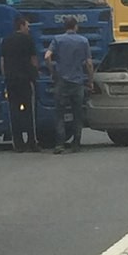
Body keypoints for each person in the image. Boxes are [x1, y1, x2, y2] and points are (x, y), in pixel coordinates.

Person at [44, 16, 94, 154]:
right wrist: (90, 81)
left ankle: (59, 144)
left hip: (61, 82)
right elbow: (89, 63)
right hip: (77, 82)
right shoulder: (83, 41)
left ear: (65, 27)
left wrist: (52, 71)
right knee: (77, 114)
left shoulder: (57, 40)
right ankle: (76, 143)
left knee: (59, 113)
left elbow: (47, 56)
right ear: (76, 26)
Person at [0, 16, 40, 152]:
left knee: (14, 111)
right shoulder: (28, 40)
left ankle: (18, 143)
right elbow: (33, 59)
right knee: (29, 112)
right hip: (26, 79)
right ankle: (31, 142)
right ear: (21, 26)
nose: (29, 29)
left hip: (11, 80)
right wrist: (35, 74)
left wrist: (5, 76)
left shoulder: (6, 41)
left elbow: (3, 62)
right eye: (27, 26)